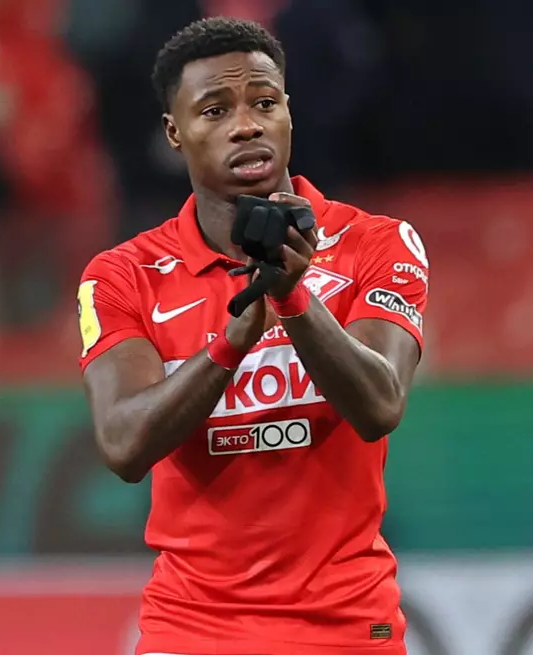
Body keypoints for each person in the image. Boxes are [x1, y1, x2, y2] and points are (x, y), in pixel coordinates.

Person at [77, 17, 429, 655]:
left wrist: (292, 298)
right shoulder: (124, 276)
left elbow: (380, 405)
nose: (246, 125)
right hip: (193, 630)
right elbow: (123, 444)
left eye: (265, 103)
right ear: (174, 132)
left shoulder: (376, 243)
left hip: (349, 628)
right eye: (215, 110)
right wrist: (231, 343)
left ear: (288, 111)